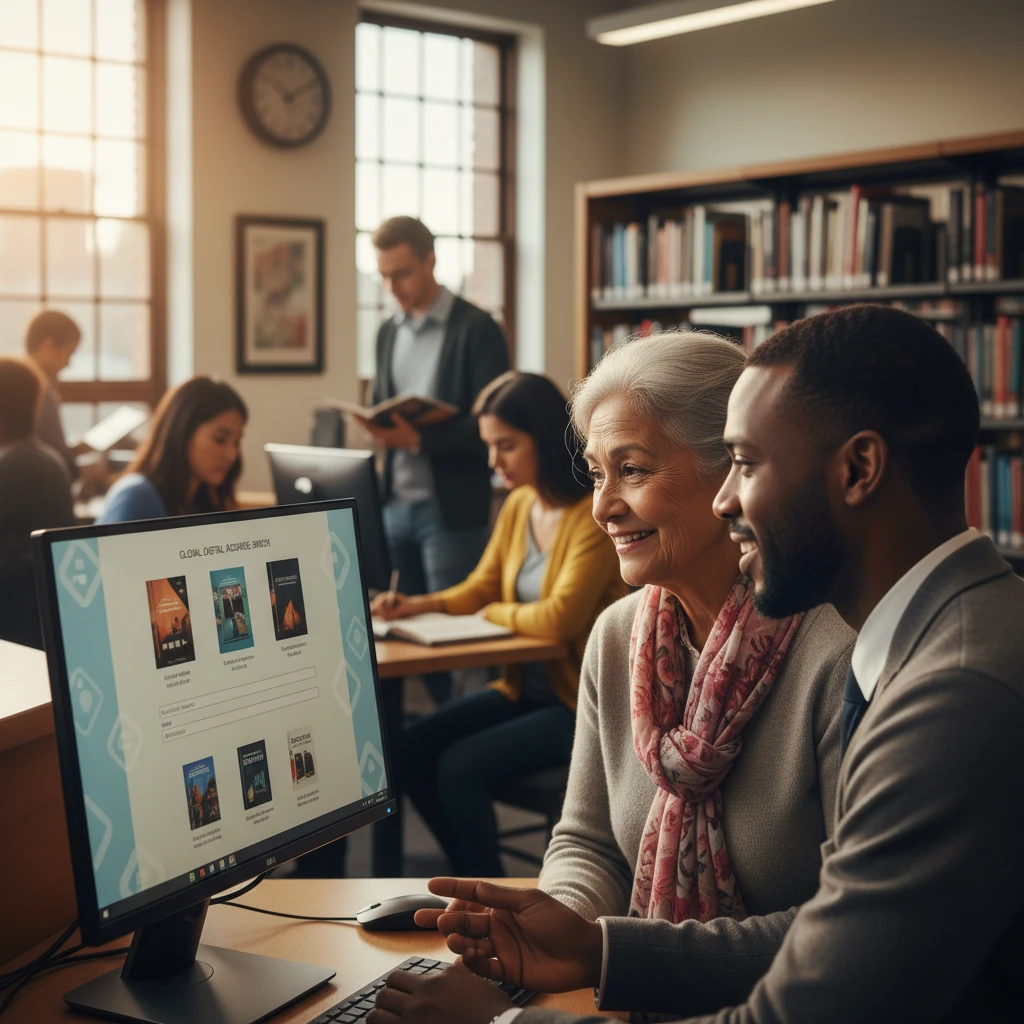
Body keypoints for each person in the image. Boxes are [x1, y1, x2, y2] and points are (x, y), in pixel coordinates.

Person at [377, 304, 1024, 1024]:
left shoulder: (948, 684)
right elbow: (831, 948)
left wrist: (502, 1023)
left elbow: (815, 1003)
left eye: (745, 463)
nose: (728, 499)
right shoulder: (923, 641)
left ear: (859, 468)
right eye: (596, 473)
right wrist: (599, 950)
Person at [369, 371, 626, 877]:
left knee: (458, 768)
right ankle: (468, 870)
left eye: (505, 445)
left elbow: (558, 619)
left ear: (548, 439)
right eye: (489, 446)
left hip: (577, 703)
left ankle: (488, 894)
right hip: (522, 690)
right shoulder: (520, 505)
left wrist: (492, 615)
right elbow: (481, 587)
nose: (493, 461)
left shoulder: (589, 517)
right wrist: (414, 606)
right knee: (405, 749)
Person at [362, 216, 510, 702]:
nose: (392, 287)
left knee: (458, 640)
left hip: (449, 511)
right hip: (394, 506)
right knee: (401, 635)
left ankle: (461, 735)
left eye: (402, 273)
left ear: (430, 261)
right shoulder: (387, 332)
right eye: (384, 275)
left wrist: (420, 441)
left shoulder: (477, 329)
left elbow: (495, 421)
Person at [0, 356, 76, 648]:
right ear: (34, 408)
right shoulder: (52, 463)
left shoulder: (8, 468)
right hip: (48, 630)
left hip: (11, 636)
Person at [97, 377, 247, 523]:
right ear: (182, 432)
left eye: (236, 442)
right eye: (220, 439)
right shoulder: (137, 498)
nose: (232, 455)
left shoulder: (199, 500)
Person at [23, 310, 88, 478]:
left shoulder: (14, 388)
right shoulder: (41, 396)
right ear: (48, 345)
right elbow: (61, 464)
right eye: (69, 352)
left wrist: (72, 450)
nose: (68, 363)